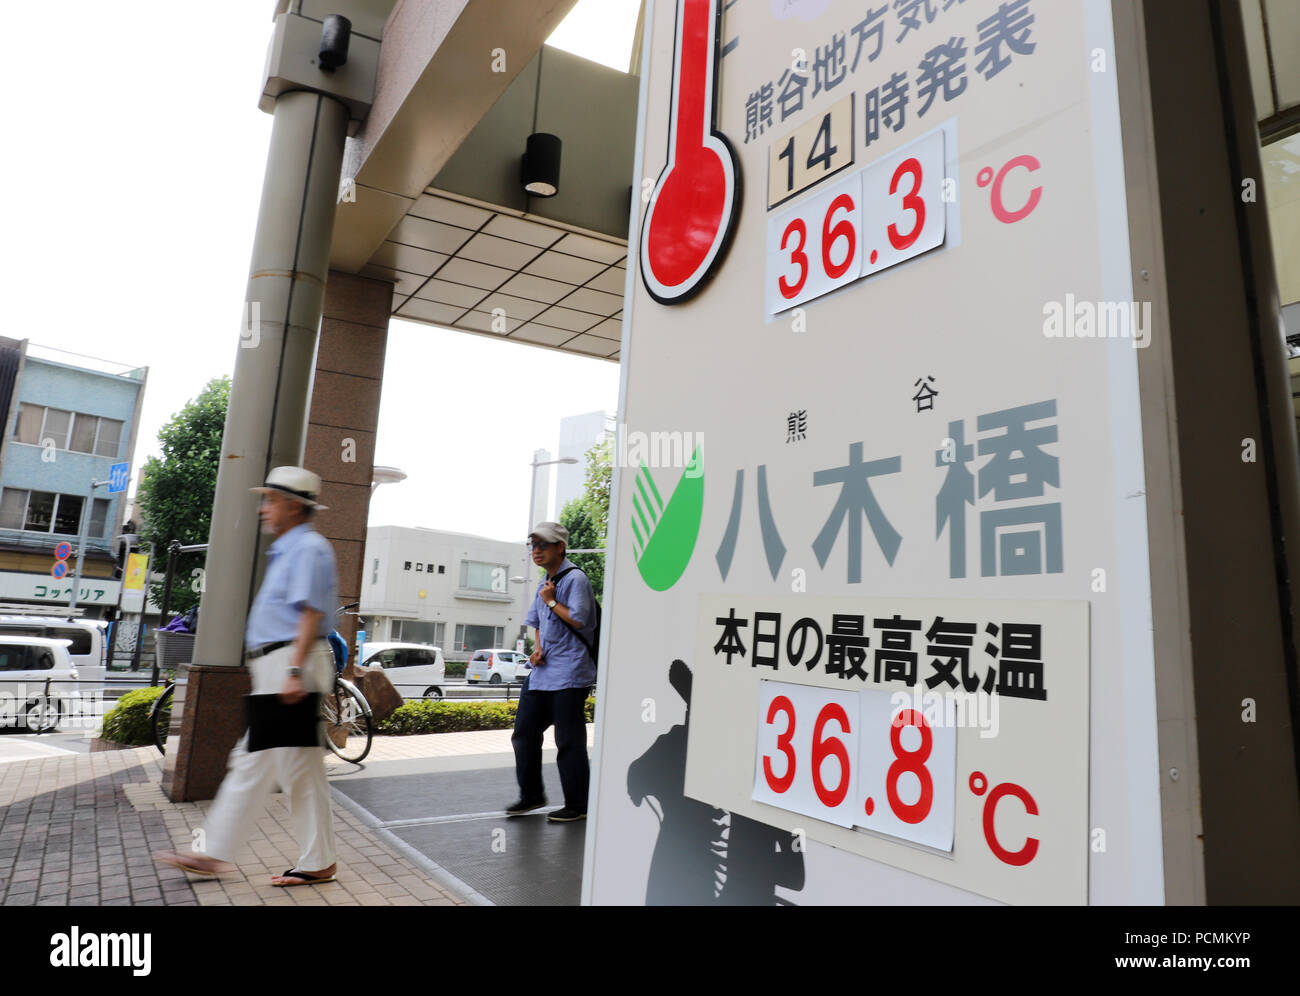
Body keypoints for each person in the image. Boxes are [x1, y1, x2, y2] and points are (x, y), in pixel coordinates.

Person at [156, 465, 340, 886]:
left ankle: (212, 853)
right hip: (279, 666)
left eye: (270, 500)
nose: (263, 508)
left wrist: (293, 671)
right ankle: (319, 861)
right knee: (299, 771)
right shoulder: (291, 548)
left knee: (253, 761)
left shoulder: (308, 548)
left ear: (293, 506)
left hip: (289, 664)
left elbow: (311, 613)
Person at [506, 521, 596, 823]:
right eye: (533, 545)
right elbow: (537, 622)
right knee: (524, 733)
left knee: (568, 740)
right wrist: (539, 647)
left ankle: (578, 804)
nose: (536, 551)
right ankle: (531, 795)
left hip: (570, 673)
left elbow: (580, 619)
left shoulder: (575, 579)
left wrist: (552, 600)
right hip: (543, 672)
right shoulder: (545, 582)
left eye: (543, 545)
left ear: (560, 547)